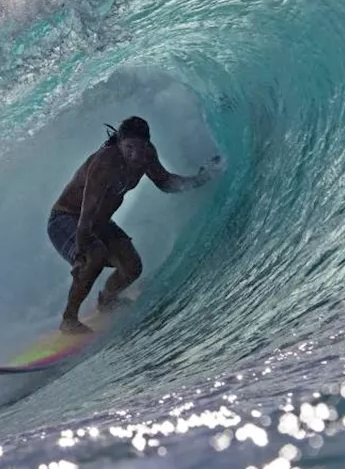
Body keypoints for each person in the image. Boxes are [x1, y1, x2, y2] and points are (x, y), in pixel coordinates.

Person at [46, 116, 221, 333]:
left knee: (131, 267)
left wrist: (197, 180)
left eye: (141, 147)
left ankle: (107, 301)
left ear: (147, 144)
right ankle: (68, 320)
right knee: (95, 256)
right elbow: (86, 215)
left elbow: (165, 183)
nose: (135, 154)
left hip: (99, 223)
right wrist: (80, 255)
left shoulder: (146, 156)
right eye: (129, 147)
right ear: (119, 143)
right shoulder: (104, 164)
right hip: (67, 219)